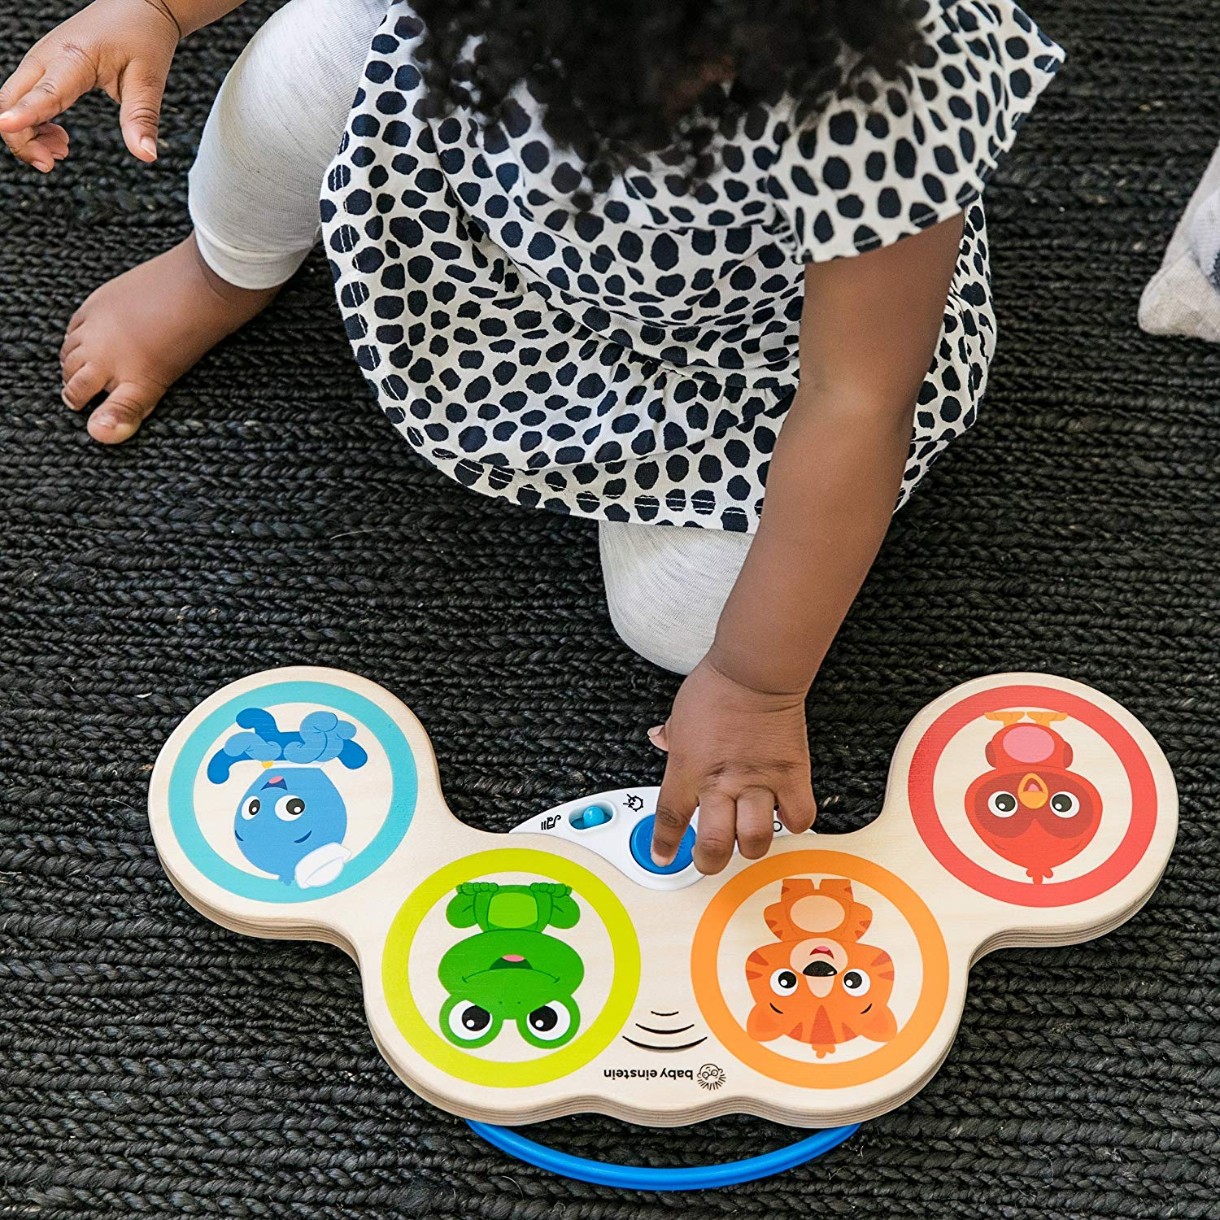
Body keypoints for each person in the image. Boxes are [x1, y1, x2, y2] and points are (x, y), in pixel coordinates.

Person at [0, 0, 1065, 875]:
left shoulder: (885, 77)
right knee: (307, 57)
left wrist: (754, 682)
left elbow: (854, 395)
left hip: (744, 360)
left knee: (687, 621)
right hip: (487, 204)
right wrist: (157, 10)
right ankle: (222, 268)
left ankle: (671, 533)